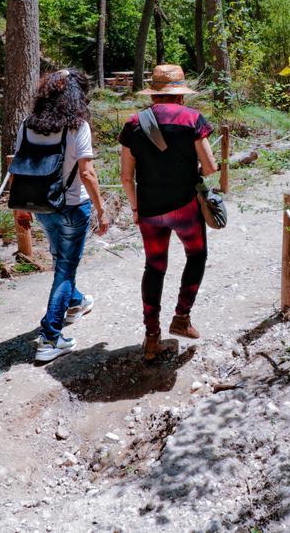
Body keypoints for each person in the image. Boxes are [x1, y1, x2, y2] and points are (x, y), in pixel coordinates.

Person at [119, 64, 219, 361]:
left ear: (154, 94)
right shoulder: (192, 120)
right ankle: (182, 317)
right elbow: (211, 166)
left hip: (149, 209)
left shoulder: (134, 123)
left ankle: (151, 336)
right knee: (197, 255)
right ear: (180, 95)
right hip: (184, 206)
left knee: (155, 267)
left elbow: (126, 177)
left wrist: (136, 207)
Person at [19, 69, 111, 363]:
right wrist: (101, 209)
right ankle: (50, 337)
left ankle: (77, 301)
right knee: (65, 270)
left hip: (41, 204)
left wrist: (21, 207)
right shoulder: (78, 126)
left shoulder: (28, 125)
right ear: (76, 96)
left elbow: (19, 166)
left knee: (61, 260)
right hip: (73, 206)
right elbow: (87, 172)